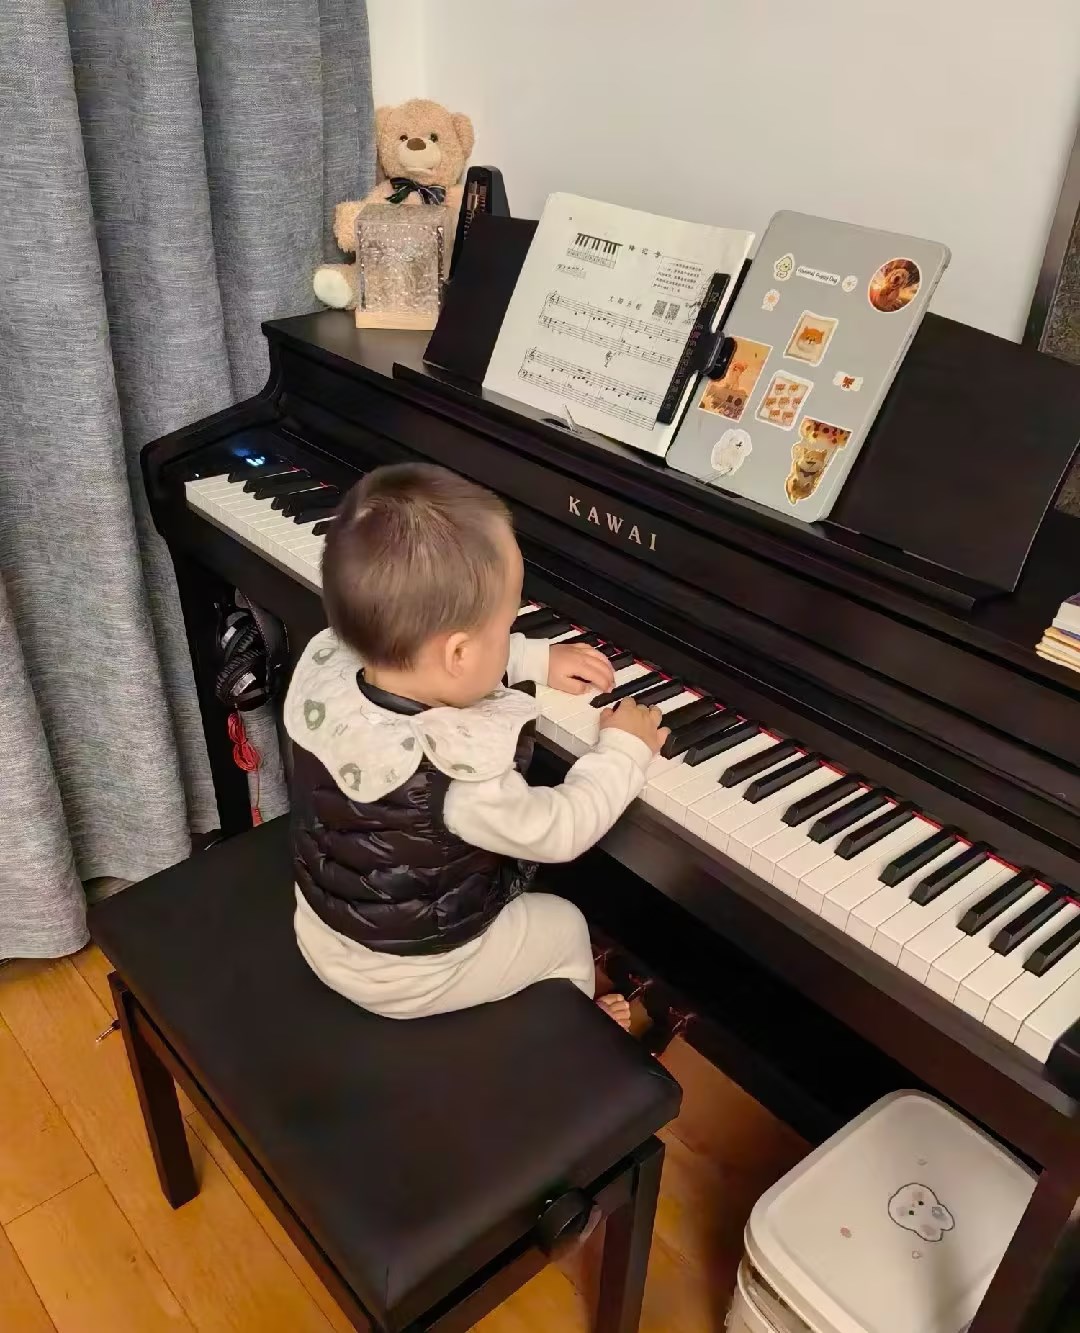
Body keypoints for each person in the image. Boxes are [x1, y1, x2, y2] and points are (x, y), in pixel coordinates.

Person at [284, 463, 668, 1028]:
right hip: (410, 977)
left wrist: (533, 657)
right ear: (460, 654)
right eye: (507, 623)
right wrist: (623, 752)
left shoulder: (340, 676)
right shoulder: (453, 777)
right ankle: (573, 1032)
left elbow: (442, 665)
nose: (509, 633)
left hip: (328, 932)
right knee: (563, 924)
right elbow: (561, 831)